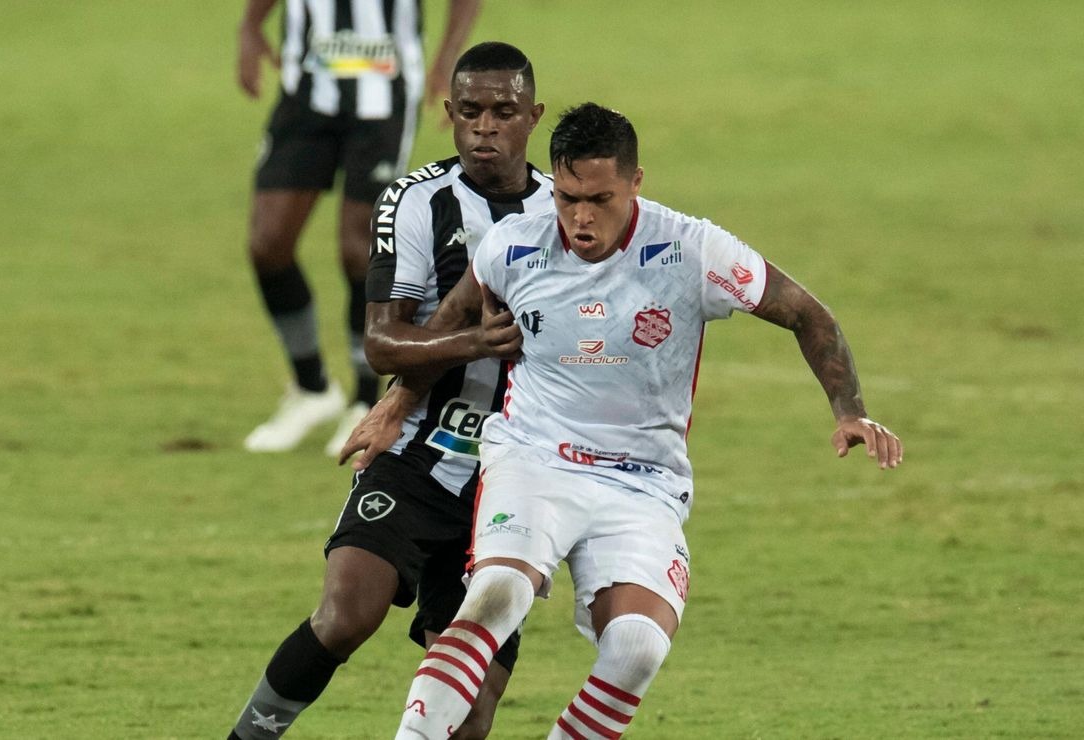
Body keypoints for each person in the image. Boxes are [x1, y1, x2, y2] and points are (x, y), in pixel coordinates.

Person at [375, 103, 904, 738]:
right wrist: (395, 405)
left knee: (637, 647)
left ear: (635, 183)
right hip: (534, 460)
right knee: (498, 596)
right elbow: (453, 320)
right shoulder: (513, 245)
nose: (580, 217)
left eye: (599, 199)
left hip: (642, 480)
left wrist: (850, 412)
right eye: (567, 198)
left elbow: (806, 313)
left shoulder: (691, 249)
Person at [226, 42, 552, 740]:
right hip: (415, 453)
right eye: (470, 111)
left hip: (511, 476)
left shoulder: (566, 212)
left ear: (534, 117)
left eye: (504, 111)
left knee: (471, 715)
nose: (485, 127)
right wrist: (473, 344)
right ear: (449, 113)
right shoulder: (415, 200)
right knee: (345, 616)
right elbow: (381, 343)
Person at [237, 0, 481, 455]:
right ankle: (312, 388)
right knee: (268, 243)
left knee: (359, 248)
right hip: (305, 90)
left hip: (383, 94)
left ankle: (366, 398)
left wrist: (449, 58)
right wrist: (251, 26)